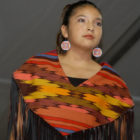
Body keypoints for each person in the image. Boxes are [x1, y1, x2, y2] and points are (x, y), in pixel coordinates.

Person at [7, 1, 135, 140]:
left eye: (98, 23)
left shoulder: (113, 84)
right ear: (65, 30)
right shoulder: (36, 69)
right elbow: (18, 128)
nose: (91, 27)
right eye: (82, 20)